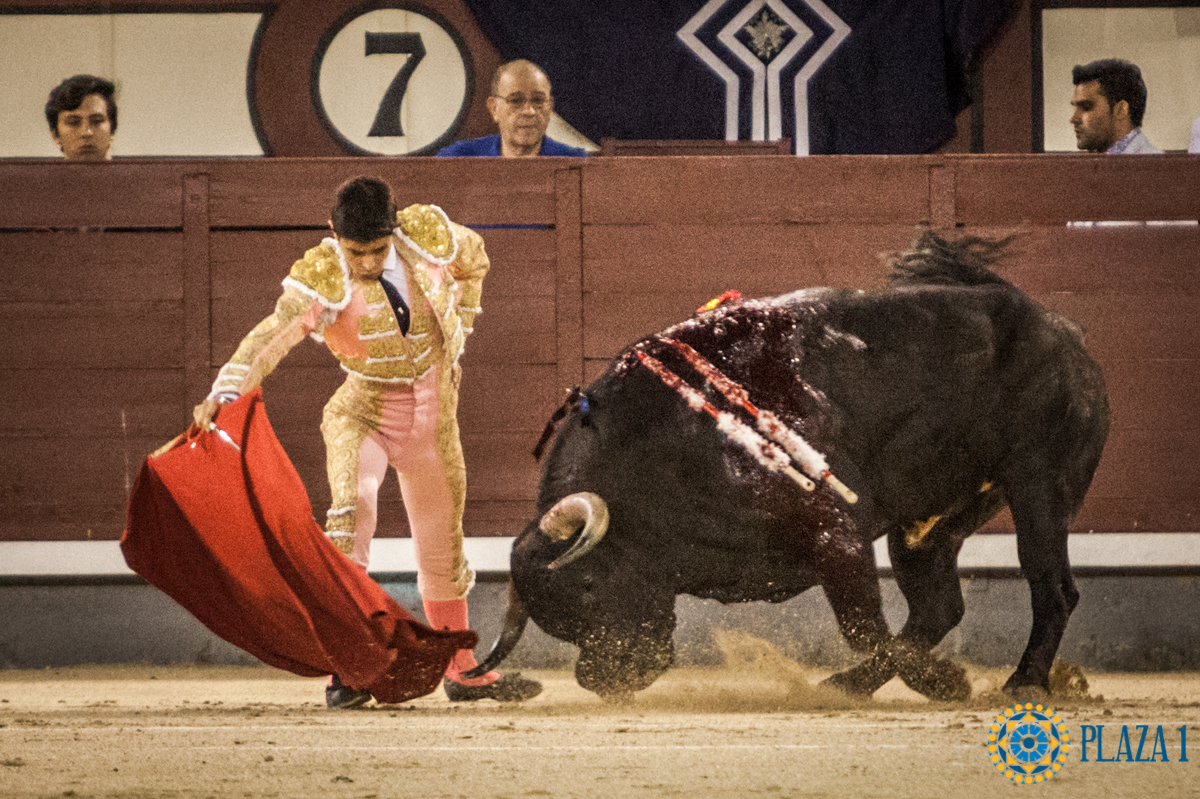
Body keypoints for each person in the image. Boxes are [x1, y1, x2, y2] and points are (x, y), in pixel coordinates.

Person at [193, 176, 541, 708]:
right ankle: (349, 668)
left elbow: (475, 256)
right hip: (363, 415)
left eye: (378, 249)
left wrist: (463, 321)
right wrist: (227, 388)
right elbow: (275, 332)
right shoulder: (324, 272)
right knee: (353, 513)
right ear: (334, 233)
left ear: (394, 229)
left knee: (442, 544)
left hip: (435, 422)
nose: (368, 263)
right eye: (356, 251)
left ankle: (462, 669)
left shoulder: (427, 236)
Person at [437, 60, 588, 157]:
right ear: (494, 108)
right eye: (516, 101)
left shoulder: (575, 163)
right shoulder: (457, 159)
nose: (529, 111)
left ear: (550, 107)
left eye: (538, 100)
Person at [1069, 59, 1161, 154]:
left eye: (1086, 107)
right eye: (1075, 108)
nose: (1074, 119)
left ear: (1121, 110)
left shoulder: (1154, 166)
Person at [45, 75, 117, 161]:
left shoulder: (133, 174)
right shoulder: (38, 174)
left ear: (112, 131)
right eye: (73, 123)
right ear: (55, 135)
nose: (86, 133)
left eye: (97, 121)